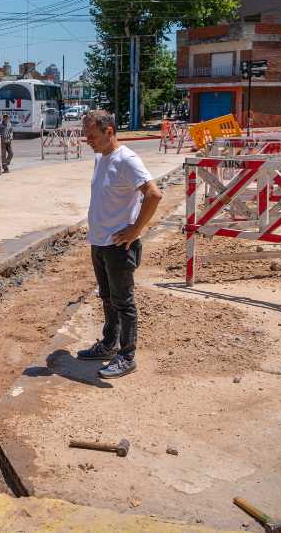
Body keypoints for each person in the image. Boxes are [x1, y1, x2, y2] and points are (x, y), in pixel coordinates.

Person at [76, 109, 163, 379]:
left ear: (109, 131)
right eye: (85, 135)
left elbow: (154, 194)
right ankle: (109, 344)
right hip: (100, 242)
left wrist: (135, 230)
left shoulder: (127, 159)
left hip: (118, 246)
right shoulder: (102, 158)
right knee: (107, 297)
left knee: (123, 302)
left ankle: (127, 355)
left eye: (91, 135)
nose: (87, 140)